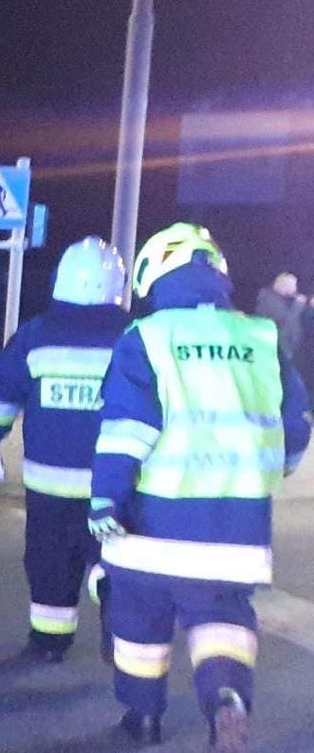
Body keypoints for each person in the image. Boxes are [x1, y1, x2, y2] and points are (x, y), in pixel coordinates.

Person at [89, 223, 311, 749]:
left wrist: (104, 498)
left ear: (153, 275)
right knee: (222, 622)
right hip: (235, 534)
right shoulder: (261, 338)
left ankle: (143, 719)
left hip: (152, 528)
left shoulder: (146, 338)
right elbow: (295, 425)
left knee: (138, 622)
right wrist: (273, 469)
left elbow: (127, 429)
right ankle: (226, 697)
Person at [0, 237, 131, 665]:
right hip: (115, 488)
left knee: (49, 564)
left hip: (49, 488)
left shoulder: (36, 337)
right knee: (115, 560)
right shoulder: (133, 340)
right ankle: (116, 622)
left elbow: (1, 391)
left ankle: (49, 642)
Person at [253, 272, 305, 360]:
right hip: (278, 348)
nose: (295, 289)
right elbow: (285, 322)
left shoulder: (286, 299)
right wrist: (298, 305)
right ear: (284, 285)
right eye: (293, 285)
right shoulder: (268, 299)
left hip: (289, 348)